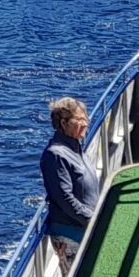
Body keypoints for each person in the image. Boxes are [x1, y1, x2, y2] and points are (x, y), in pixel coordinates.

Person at [39, 96, 100, 266]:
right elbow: (64, 197)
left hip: (87, 228)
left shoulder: (76, 147)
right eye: (79, 120)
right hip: (71, 234)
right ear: (63, 123)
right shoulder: (56, 155)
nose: (86, 124)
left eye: (85, 118)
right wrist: (92, 219)